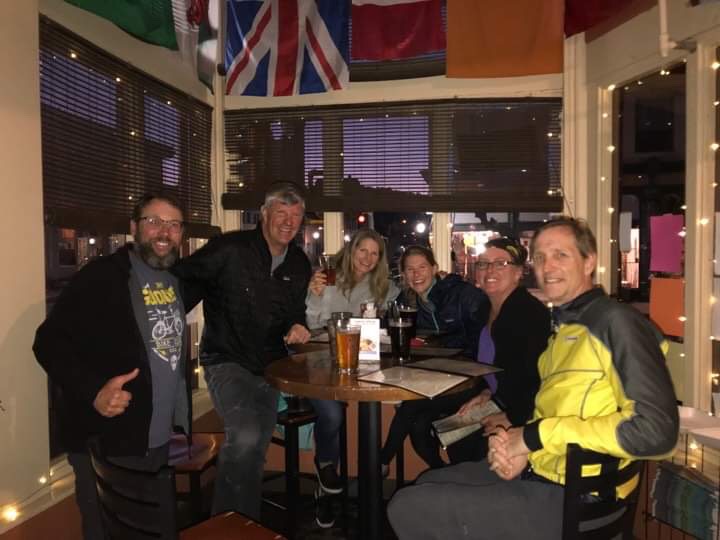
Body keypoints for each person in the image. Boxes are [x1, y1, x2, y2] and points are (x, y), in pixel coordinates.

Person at [387, 217, 680, 540]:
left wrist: (530, 437)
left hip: (581, 496)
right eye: (540, 257)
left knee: (407, 506)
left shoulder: (616, 322)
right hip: (544, 472)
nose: (548, 266)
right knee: (428, 482)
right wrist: (522, 451)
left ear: (589, 261)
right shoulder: (566, 330)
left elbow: (657, 432)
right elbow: (552, 410)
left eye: (561, 255)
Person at [33, 192, 189, 540]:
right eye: (154, 221)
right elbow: (48, 342)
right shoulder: (102, 277)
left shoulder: (175, 278)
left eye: (174, 224)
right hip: (108, 435)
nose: (164, 232)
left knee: (148, 528)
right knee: (109, 530)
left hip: (155, 435)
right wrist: (93, 391)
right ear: (134, 227)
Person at [172, 182, 312, 520]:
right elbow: (181, 279)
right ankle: (226, 524)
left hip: (271, 366)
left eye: (295, 216)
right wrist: (162, 322)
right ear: (264, 214)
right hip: (227, 359)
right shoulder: (230, 249)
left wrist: (298, 324)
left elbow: (295, 310)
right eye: (281, 213)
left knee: (255, 446)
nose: (288, 222)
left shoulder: (298, 263)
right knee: (246, 436)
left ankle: (244, 521)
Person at [305, 229, 399, 527]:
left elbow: (396, 314)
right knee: (332, 415)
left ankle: (356, 488)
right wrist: (315, 295)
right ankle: (326, 472)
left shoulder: (383, 287)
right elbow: (312, 323)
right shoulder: (326, 278)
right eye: (363, 250)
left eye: (374, 253)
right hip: (321, 360)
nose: (367, 258)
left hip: (361, 364)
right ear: (351, 250)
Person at [433, 236, 552, 464]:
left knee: (464, 442)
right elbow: (496, 369)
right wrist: (486, 393)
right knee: (441, 427)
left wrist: (510, 417)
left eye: (500, 263)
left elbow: (540, 380)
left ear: (519, 272)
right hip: (499, 399)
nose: (490, 270)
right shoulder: (484, 310)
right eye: (483, 264)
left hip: (526, 413)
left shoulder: (529, 314)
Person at [380, 245, 488, 470]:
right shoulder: (407, 300)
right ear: (404, 274)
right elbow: (386, 328)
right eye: (410, 269)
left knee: (410, 405)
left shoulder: (459, 293)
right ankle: (441, 472)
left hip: (472, 378)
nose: (416, 274)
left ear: (435, 268)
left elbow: (485, 331)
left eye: (422, 267)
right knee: (418, 425)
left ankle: (381, 461)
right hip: (441, 376)